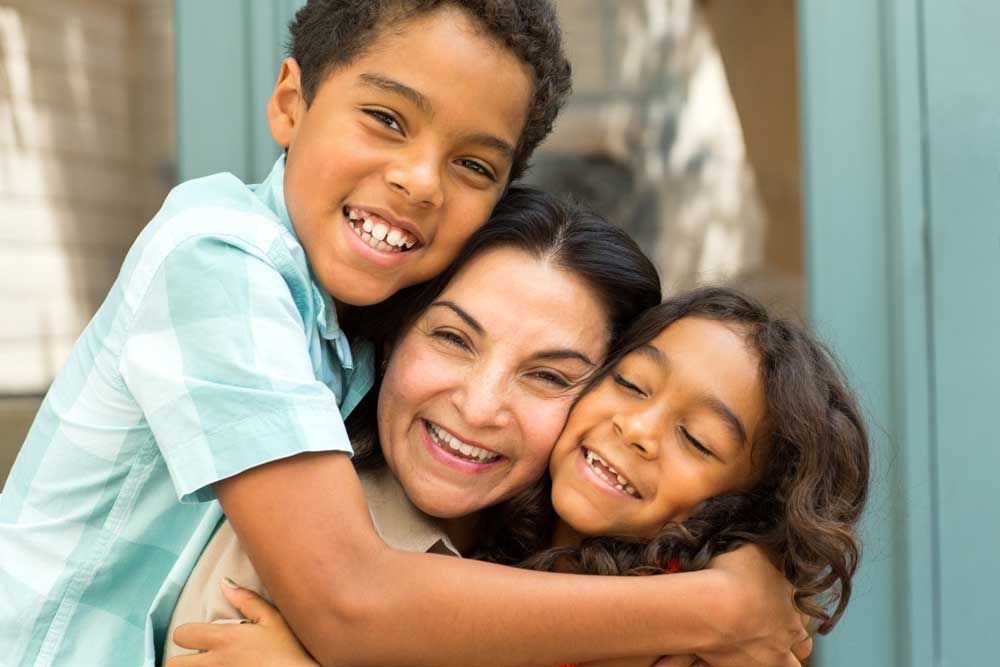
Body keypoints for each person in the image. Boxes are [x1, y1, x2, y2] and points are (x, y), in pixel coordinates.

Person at [0, 2, 569, 665]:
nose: (419, 182)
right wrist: (703, 607)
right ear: (290, 103)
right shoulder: (214, 255)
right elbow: (349, 601)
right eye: (387, 120)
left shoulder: (365, 333)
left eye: (473, 166)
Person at [165, 193, 818, 667]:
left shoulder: (643, 617)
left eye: (547, 375)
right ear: (394, 336)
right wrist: (719, 602)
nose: (479, 407)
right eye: (452, 338)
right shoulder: (306, 535)